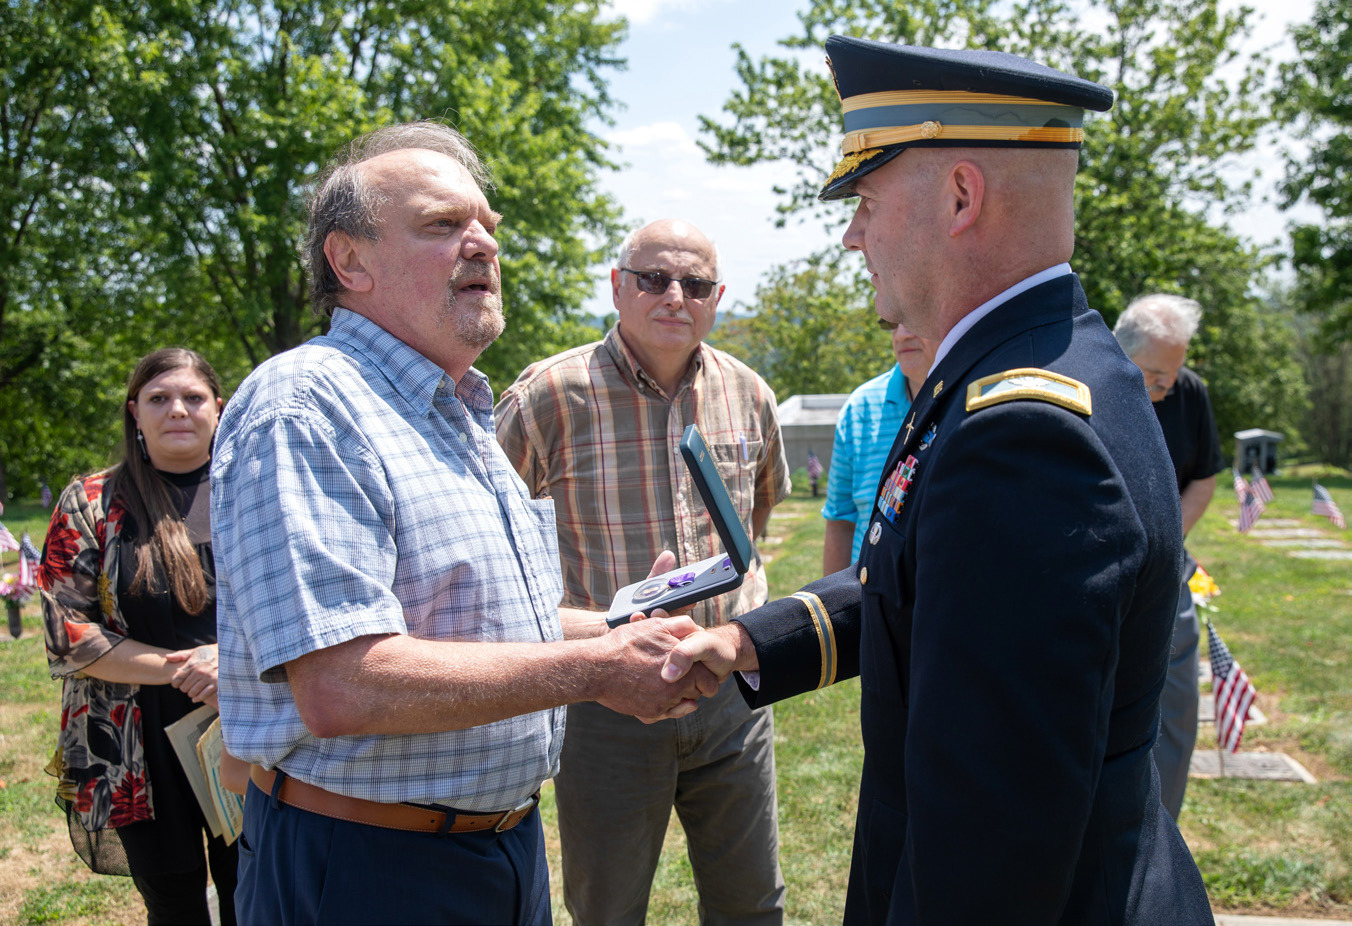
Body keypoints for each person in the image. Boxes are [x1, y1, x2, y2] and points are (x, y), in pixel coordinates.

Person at [663, 38, 1215, 924]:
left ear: (961, 195)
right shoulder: (1038, 364)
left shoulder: (1023, 436)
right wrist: (751, 643)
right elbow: (923, 585)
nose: (853, 234)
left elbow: (989, 853)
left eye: (868, 201)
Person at [210, 123, 719, 926]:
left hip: (499, 850)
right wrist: (597, 671)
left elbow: (481, 624)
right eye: (444, 226)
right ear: (350, 261)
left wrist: (618, 628)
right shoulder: (305, 407)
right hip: (365, 869)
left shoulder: (457, 409)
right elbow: (343, 683)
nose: (482, 244)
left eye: (487, 225)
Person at [495, 218, 792, 925]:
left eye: (694, 284)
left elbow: (758, 514)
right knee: (607, 907)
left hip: (731, 690)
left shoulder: (748, 392)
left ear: (716, 297)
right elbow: (488, 543)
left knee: (752, 902)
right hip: (607, 701)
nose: (674, 297)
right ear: (617, 287)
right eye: (654, 279)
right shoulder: (546, 398)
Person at [39, 347, 238, 925]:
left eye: (193, 398)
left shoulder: (254, 490)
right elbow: (68, 633)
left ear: (218, 409)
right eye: (159, 399)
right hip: (132, 740)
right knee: (173, 904)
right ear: (135, 412)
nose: (177, 410)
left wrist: (233, 663)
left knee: (254, 893)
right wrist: (189, 667)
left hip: (245, 717)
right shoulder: (92, 502)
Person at [1115, 293, 1226, 820]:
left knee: (1177, 703)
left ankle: (1161, 829)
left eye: (1172, 378)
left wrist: (1164, 536)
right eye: (1156, 377)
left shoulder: (1188, 391)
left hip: (1167, 562)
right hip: (1102, 562)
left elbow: (1204, 476)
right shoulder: (1094, 385)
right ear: (1122, 353)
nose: (1166, 390)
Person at [822, 320, 937, 573]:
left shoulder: (976, 400)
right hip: (865, 603)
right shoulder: (859, 409)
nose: (902, 334)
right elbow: (840, 519)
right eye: (894, 323)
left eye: (913, 319)